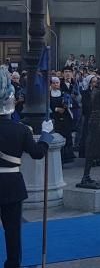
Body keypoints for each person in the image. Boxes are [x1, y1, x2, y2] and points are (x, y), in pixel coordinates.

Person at [0, 66, 50, 268]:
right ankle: (12, 264)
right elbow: (38, 153)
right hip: (12, 184)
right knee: (12, 231)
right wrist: (45, 136)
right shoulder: (21, 130)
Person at [50, 77, 75, 163]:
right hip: (55, 118)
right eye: (54, 83)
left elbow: (71, 103)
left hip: (65, 118)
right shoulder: (49, 95)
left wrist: (67, 105)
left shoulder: (64, 93)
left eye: (57, 83)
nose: (56, 84)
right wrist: (56, 109)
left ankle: (66, 157)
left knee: (66, 135)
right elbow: (48, 106)